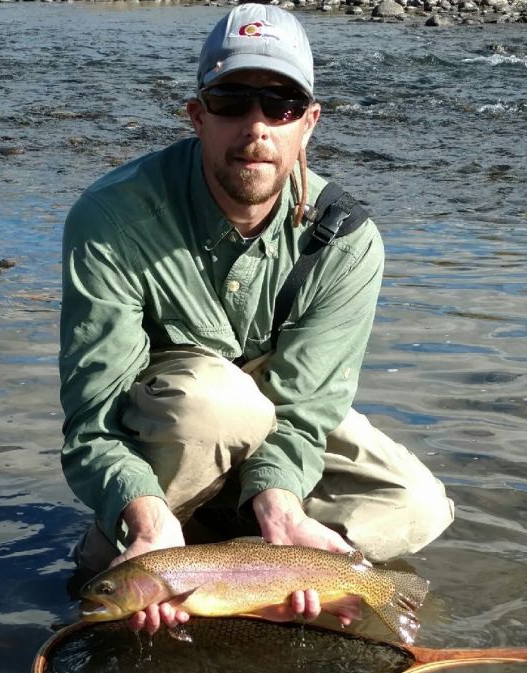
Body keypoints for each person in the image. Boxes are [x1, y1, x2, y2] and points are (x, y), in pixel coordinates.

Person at [59, 4, 454, 634]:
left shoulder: (347, 240)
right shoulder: (111, 219)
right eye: (232, 101)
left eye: (281, 105)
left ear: (309, 123)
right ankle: (158, 532)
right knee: (216, 405)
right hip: (174, 434)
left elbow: (307, 408)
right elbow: (92, 418)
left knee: (417, 504)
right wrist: (146, 518)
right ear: (198, 115)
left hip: (278, 437)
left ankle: (261, 552)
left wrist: (280, 504)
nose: (256, 126)